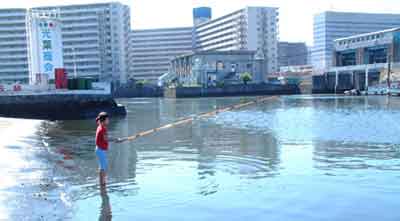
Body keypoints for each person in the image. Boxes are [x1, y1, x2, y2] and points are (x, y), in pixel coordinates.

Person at [95, 112, 124, 186]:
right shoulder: (102, 129)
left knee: (103, 166)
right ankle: (102, 183)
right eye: (107, 119)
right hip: (100, 150)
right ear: (104, 120)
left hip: (99, 150)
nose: (109, 120)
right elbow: (106, 139)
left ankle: (102, 182)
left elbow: (105, 138)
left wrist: (116, 140)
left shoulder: (100, 126)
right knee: (103, 167)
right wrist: (116, 139)